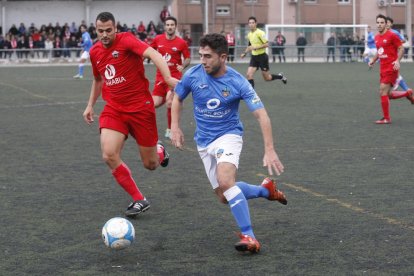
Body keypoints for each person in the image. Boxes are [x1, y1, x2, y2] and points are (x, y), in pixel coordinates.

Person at [171, 33, 287, 253]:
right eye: (201, 55)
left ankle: (249, 236)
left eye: (208, 56)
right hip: (203, 142)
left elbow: (262, 115)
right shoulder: (193, 75)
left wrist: (269, 150)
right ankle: (264, 190)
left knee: (226, 180)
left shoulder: (237, 82)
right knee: (224, 196)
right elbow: (177, 98)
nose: (202, 60)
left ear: (223, 57)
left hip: (229, 135)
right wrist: (175, 126)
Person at [82, 12, 178, 217]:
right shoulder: (94, 51)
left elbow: (153, 54)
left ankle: (158, 150)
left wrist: (168, 78)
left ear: (115, 28)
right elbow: (98, 80)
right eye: (101, 31)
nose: (105, 35)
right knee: (108, 154)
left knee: (150, 165)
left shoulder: (126, 40)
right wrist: (90, 105)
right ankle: (138, 199)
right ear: (96, 30)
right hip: (114, 109)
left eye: (109, 30)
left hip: (140, 109)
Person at [368, 14, 414, 124]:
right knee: (387, 94)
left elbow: (401, 49)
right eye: (378, 22)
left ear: (386, 24)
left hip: (391, 68)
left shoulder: (392, 35)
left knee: (382, 90)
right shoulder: (377, 37)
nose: (379, 24)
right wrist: (372, 61)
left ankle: (386, 118)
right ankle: (407, 93)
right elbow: (380, 52)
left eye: (382, 22)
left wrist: (397, 61)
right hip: (383, 68)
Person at [150, 16, 191, 138]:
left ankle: (170, 129)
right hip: (160, 77)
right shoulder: (157, 39)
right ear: (165, 27)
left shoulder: (181, 42)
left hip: (174, 78)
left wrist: (183, 66)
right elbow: (149, 50)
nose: (170, 27)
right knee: (154, 104)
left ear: (175, 26)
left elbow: (188, 58)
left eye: (172, 25)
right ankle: (175, 103)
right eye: (168, 25)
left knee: (169, 102)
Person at [240, 16, 287, 88]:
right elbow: (249, 46)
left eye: (253, 23)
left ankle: (280, 76)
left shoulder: (260, 33)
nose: (251, 24)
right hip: (254, 57)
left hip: (262, 57)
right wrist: (244, 53)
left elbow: (267, 44)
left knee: (267, 78)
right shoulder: (249, 34)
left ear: (256, 23)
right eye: (250, 23)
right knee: (249, 75)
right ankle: (252, 95)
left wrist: (256, 47)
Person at [385, 16, 413, 100]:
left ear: (391, 24)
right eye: (385, 22)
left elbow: (403, 40)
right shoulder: (384, 33)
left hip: (394, 55)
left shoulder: (394, 32)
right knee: (394, 73)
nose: (387, 24)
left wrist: (395, 43)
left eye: (388, 22)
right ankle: (407, 90)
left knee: (394, 72)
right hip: (387, 56)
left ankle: (396, 84)